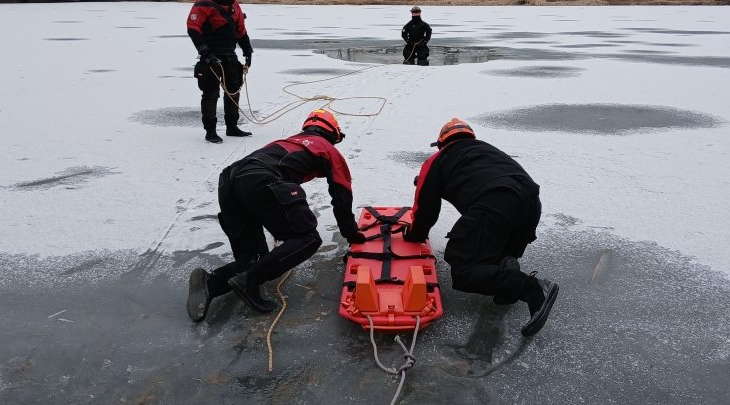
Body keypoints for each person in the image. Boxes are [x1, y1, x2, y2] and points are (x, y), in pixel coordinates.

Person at [186, 109, 367, 321]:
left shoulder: (286, 142)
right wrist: (352, 235)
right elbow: (342, 199)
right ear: (333, 134)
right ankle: (249, 281)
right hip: (260, 178)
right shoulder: (329, 151)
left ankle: (211, 283)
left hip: (229, 180)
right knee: (306, 238)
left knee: (253, 259)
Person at [402, 118, 558, 336]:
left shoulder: (436, 160)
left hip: (496, 201)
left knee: (464, 269)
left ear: (440, 144)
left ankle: (531, 288)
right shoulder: (487, 151)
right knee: (491, 250)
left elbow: (425, 209)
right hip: (530, 204)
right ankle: (505, 270)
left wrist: (414, 235)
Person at [187, 0, 253, 143]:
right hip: (211, 56)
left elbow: (241, 31)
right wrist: (204, 52)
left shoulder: (234, 5)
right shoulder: (203, 4)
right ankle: (210, 131)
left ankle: (232, 126)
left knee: (233, 92)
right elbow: (193, 29)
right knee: (211, 94)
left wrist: (248, 51)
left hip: (230, 56)